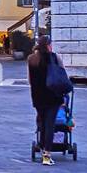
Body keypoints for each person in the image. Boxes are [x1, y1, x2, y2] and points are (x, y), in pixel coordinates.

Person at [27, 36, 72, 166]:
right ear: (48, 45)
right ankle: (47, 154)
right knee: (50, 124)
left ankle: (42, 149)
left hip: (37, 95)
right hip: (53, 95)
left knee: (42, 123)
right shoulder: (54, 57)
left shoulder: (31, 59)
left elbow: (30, 80)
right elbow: (62, 75)